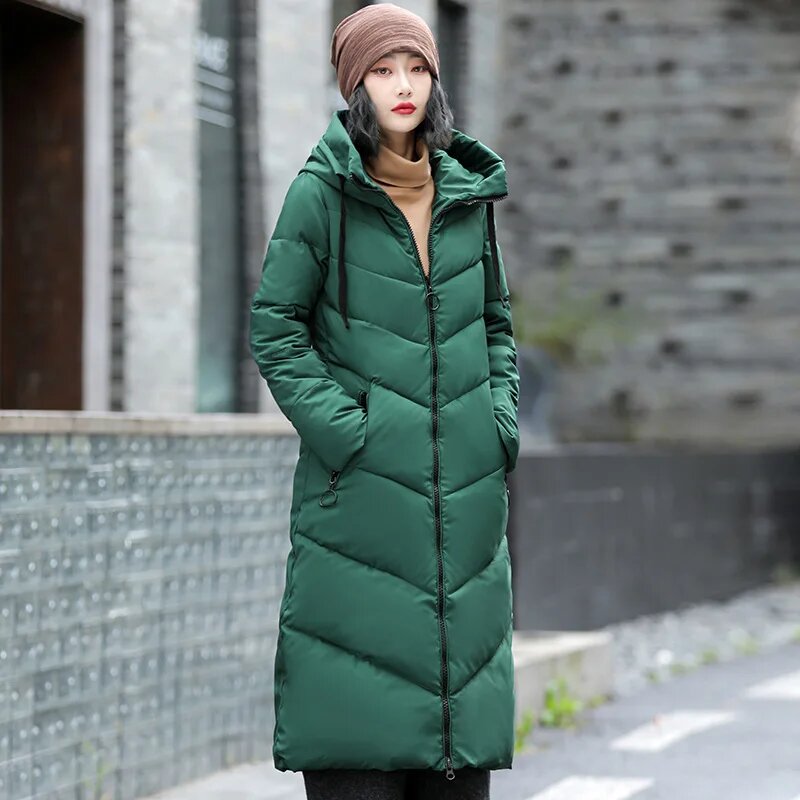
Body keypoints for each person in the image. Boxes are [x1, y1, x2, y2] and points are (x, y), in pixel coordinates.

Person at [249, 4, 520, 799]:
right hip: (359, 506)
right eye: (381, 70)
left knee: (457, 758)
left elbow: (495, 323)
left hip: (465, 506)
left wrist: (496, 424)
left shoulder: (467, 196)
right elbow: (276, 326)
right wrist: (347, 430)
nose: (403, 85)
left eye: (416, 68)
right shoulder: (322, 193)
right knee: (358, 737)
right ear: (354, 85)